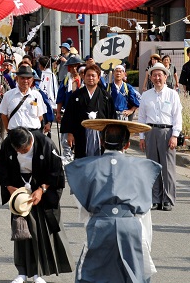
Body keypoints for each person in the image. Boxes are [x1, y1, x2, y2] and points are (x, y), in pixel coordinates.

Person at [65, 119, 161, 283]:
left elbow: (81, 203)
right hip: (130, 225)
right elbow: (144, 211)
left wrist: (93, 215)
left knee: (90, 275)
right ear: (127, 144)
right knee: (134, 274)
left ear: (101, 142)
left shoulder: (87, 166)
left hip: (100, 224)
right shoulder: (141, 167)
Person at [0, 127, 73, 283]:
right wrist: (7, 186)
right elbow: (2, 167)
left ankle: (38, 273)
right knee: (21, 230)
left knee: (39, 232)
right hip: (19, 189)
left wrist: (42, 189)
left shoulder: (46, 144)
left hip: (41, 189)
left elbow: (56, 171)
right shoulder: (8, 144)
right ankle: (22, 272)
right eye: (19, 151)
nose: (22, 153)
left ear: (31, 141)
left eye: (25, 150)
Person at [138, 62, 183, 211]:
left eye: (160, 75)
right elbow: (142, 117)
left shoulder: (172, 94)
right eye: (154, 75)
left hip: (167, 132)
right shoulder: (146, 95)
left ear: (166, 76)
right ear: (150, 77)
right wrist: (142, 136)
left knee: (168, 168)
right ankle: (155, 198)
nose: (157, 78)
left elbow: (177, 117)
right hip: (150, 131)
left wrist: (175, 136)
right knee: (152, 167)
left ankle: (168, 199)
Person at [60, 64, 116, 159]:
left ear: (98, 78)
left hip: (100, 133)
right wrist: (70, 133)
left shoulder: (106, 96)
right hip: (81, 132)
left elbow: (111, 116)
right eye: (88, 75)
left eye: (93, 76)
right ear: (84, 77)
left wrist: (111, 135)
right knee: (82, 158)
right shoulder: (76, 95)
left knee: (100, 159)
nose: (90, 78)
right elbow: (70, 115)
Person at [0, 65, 46, 135]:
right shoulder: (8, 95)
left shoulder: (37, 95)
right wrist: (9, 131)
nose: (25, 81)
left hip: (33, 134)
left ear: (32, 79)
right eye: (22, 78)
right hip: (15, 134)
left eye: (28, 78)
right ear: (17, 79)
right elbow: (3, 115)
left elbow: (40, 116)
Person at [56, 56, 84, 163]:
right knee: (66, 136)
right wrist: (58, 112)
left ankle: (79, 156)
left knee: (81, 137)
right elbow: (60, 98)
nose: (74, 69)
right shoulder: (66, 81)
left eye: (76, 66)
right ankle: (67, 156)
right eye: (71, 67)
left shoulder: (85, 80)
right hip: (68, 112)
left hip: (82, 113)